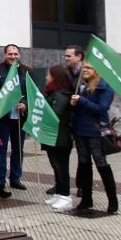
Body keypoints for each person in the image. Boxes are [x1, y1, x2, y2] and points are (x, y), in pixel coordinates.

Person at [71, 63, 118, 214]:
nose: (85, 70)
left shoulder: (105, 88)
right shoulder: (81, 85)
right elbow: (78, 108)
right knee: (84, 164)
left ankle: (113, 200)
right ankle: (86, 199)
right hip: (80, 130)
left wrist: (81, 101)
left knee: (101, 163)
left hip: (96, 131)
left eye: (89, 68)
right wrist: (73, 104)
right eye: (84, 68)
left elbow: (101, 109)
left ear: (97, 70)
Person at [0, 44, 30, 196]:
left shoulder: (27, 71)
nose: (13, 57)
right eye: (10, 54)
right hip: (1, 117)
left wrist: (25, 104)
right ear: (5, 55)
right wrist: (8, 97)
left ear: (19, 55)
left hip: (20, 117)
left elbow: (34, 92)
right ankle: (0, 181)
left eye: (15, 54)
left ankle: (16, 178)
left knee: (18, 149)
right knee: (0, 151)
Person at [43, 65, 75, 212]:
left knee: (61, 167)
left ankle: (66, 196)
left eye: (48, 75)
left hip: (60, 137)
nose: (46, 77)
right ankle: (58, 193)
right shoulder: (53, 92)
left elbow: (55, 114)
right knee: (56, 166)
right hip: (52, 136)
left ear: (55, 77)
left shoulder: (61, 94)